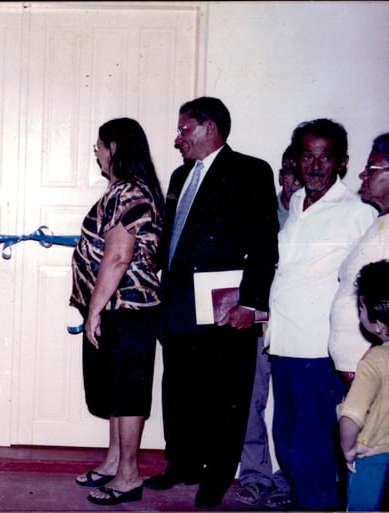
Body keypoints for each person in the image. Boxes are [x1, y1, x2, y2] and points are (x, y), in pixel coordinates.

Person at [144, 96, 279, 509]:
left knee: (224, 395)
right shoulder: (179, 176)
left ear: (210, 127)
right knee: (178, 390)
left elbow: (263, 244)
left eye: (184, 129)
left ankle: (217, 477)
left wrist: (250, 304)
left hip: (224, 309)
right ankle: (182, 464)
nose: (177, 138)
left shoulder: (250, 171)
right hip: (177, 306)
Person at [267, 118, 377, 510]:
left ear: (342, 162)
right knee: (286, 440)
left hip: (320, 349)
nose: (315, 166)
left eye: (325, 157)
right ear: (295, 161)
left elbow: (365, 284)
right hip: (283, 343)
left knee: (311, 450)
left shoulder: (356, 213)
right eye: (307, 157)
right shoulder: (295, 202)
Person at [69, 118, 165, 506]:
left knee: (127, 394)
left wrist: (94, 311)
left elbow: (118, 257)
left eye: (99, 145)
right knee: (116, 390)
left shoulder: (130, 192)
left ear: (114, 147)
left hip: (127, 308)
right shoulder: (126, 189)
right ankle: (114, 462)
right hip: (119, 308)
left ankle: (128, 475)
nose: (96, 151)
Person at [234, 147, 300, 508]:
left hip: (299, 326)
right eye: (287, 170)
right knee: (250, 401)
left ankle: (288, 480)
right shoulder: (260, 209)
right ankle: (254, 476)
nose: (293, 179)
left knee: (293, 407)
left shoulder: (319, 216)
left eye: (298, 171)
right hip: (258, 323)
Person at [329, 132, 389, 385]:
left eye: (370, 169)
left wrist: (376, 355)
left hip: (372, 370)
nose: (362, 175)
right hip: (357, 367)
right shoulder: (379, 222)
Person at [338, 260, 389, 512]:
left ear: (377, 323)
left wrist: (348, 449)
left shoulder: (374, 361)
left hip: (373, 458)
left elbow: (352, 416)